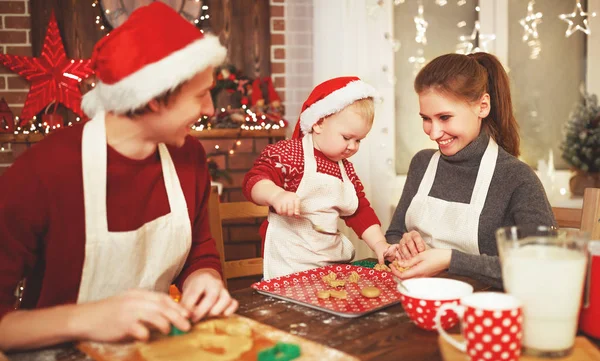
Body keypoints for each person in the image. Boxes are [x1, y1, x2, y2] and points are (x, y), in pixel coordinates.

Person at [0, 2, 237, 351]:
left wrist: (205, 278)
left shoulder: (189, 156)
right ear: (155, 99)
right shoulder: (43, 173)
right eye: (201, 95)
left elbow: (199, 251)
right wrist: (87, 319)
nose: (210, 110)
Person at [386, 53, 556, 288]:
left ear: (482, 106)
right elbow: (394, 233)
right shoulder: (422, 164)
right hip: (418, 300)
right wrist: (404, 243)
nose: (433, 133)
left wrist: (448, 259)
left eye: (444, 117)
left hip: (482, 311)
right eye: (426, 118)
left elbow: (540, 266)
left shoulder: (516, 178)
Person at [243, 76, 400, 279]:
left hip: (329, 265)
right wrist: (276, 195)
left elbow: (359, 211)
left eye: (359, 140)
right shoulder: (291, 155)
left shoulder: (347, 171)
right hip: (290, 264)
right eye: (346, 137)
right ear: (318, 123)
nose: (353, 146)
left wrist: (380, 244)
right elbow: (254, 181)